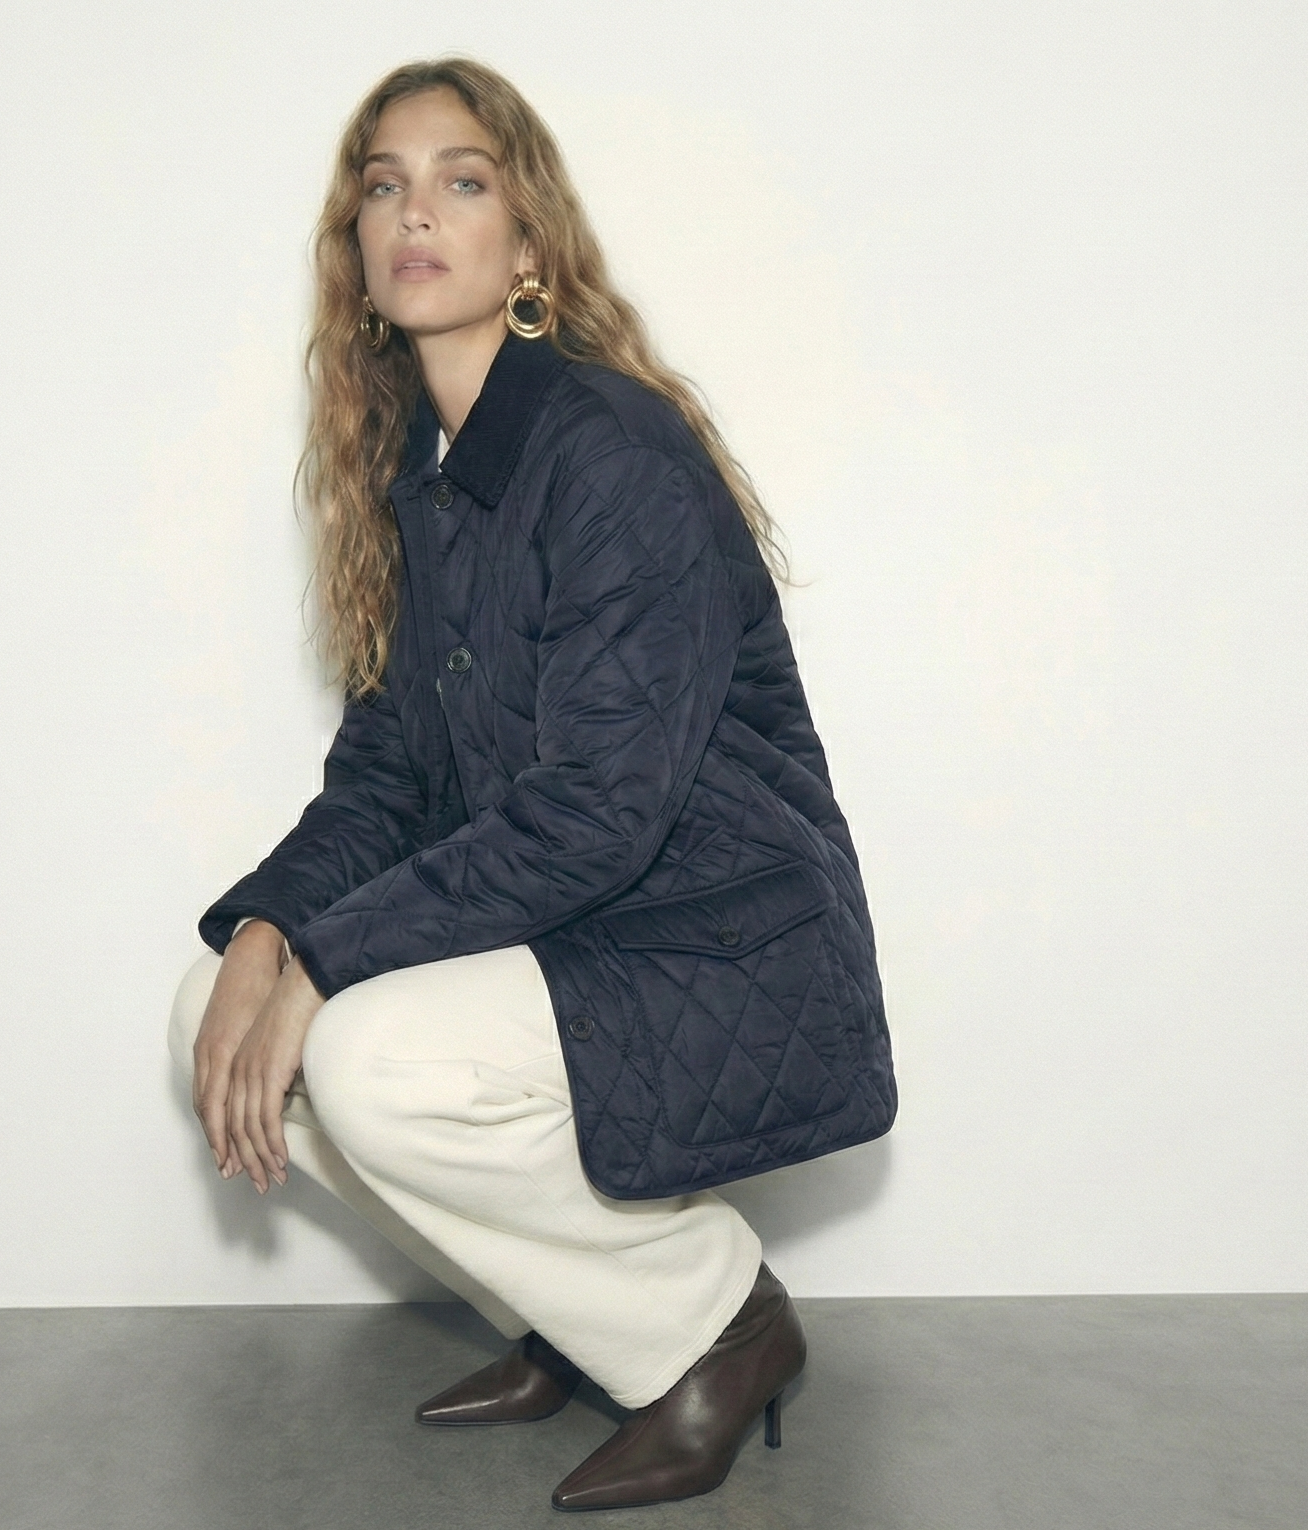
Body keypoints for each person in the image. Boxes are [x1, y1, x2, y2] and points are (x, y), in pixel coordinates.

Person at [165, 57, 895, 1513]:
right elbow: (385, 775)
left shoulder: (609, 450)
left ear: (527, 244)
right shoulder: (414, 476)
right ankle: (573, 1315)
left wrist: (330, 965)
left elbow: (601, 808)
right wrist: (268, 932)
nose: (414, 212)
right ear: (357, 250)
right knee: (212, 1010)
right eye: (384, 186)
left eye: (463, 180)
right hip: (576, 917)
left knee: (366, 1060)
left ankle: (719, 1324)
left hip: (709, 925)